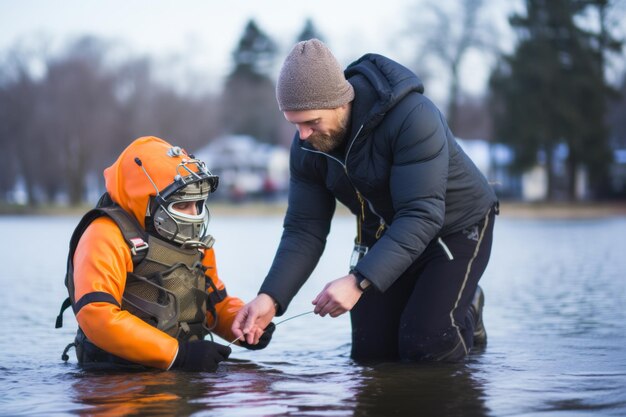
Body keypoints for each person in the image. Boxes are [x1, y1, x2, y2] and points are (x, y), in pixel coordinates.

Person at [232, 39, 498, 363]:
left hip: (452, 227)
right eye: (294, 124)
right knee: (371, 356)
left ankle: (467, 309)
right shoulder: (306, 145)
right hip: (387, 234)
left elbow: (421, 214)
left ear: (341, 103)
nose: (302, 135)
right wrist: (270, 298)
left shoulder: (412, 116)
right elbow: (304, 228)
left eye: (311, 122)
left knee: (425, 345)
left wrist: (359, 280)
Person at [57, 136, 273, 371]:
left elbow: (213, 304)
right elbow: (96, 314)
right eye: (182, 205)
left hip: (183, 369)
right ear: (147, 202)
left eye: (198, 204)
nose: (193, 215)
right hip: (117, 376)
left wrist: (243, 325)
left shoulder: (193, 238)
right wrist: (177, 354)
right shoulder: (105, 234)